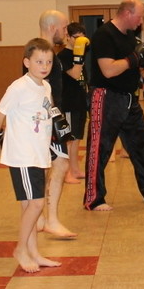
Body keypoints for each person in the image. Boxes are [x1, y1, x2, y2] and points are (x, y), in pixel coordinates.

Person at [0, 38, 65, 273]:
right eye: (39, 62)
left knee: (29, 206)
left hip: (39, 154)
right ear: (27, 63)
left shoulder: (45, 87)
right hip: (23, 155)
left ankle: (34, 252)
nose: (44, 66)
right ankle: (21, 249)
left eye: (48, 62)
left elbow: (47, 113)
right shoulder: (18, 87)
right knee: (36, 204)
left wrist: (57, 134)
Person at [83, 0, 144, 211]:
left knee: (143, 144)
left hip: (128, 98)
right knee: (100, 149)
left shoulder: (129, 36)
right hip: (106, 97)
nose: (141, 21)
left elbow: (136, 64)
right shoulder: (104, 35)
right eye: (140, 16)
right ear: (127, 13)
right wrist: (133, 59)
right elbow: (108, 70)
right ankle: (94, 199)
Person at [35, 10, 76, 238]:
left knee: (45, 167)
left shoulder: (44, 51)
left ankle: (40, 218)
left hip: (48, 118)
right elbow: (40, 89)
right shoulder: (44, 54)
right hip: (47, 120)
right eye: (64, 26)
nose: (66, 31)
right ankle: (51, 219)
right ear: (52, 28)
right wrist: (55, 120)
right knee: (60, 165)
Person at [58, 21, 90, 182]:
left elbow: (84, 78)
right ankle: (67, 173)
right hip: (69, 102)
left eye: (81, 38)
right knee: (69, 140)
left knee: (77, 138)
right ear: (68, 37)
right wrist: (78, 56)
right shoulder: (63, 56)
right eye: (76, 38)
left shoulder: (82, 53)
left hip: (80, 101)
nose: (79, 41)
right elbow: (76, 75)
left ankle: (75, 169)